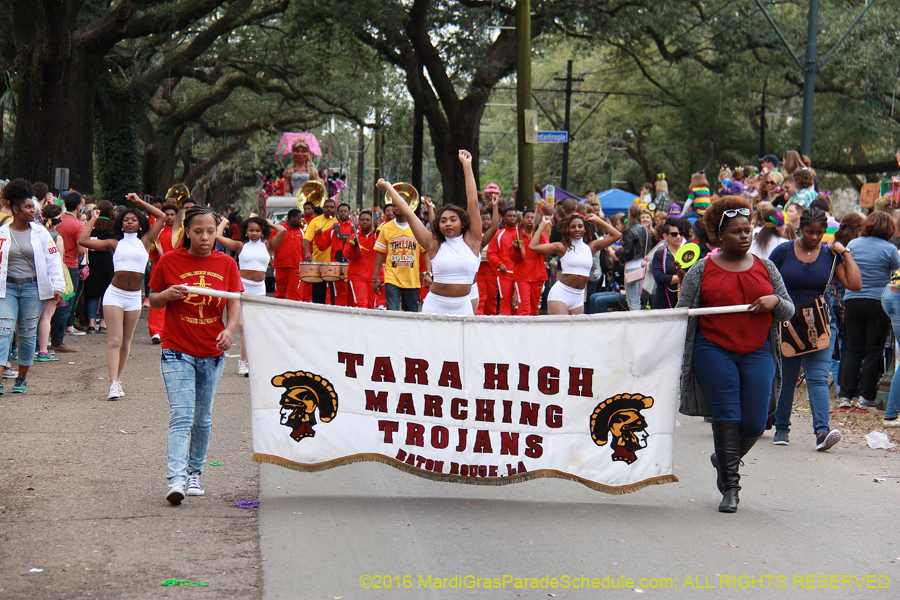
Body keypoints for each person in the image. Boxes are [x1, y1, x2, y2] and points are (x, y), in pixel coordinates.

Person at [676, 196, 795, 513]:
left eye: (748, 230)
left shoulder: (766, 267)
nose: (744, 236)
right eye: (736, 231)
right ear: (718, 234)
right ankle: (731, 487)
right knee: (727, 418)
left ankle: (724, 458)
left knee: (757, 422)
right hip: (713, 350)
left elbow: (788, 310)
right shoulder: (701, 270)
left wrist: (774, 302)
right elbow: (681, 314)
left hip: (757, 351)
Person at [149, 205, 243, 504]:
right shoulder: (169, 260)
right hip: (176, 350)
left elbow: (235, 301)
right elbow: (153, 300)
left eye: (211, 232)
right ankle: (175, 479)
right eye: (198, 231)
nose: (205, 237)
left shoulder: (227, 263)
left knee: (202, 418)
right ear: (186, 232)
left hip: (212, 353)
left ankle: (194, 473)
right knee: (181, 415)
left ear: (218, 232)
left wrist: (229, 330)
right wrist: (167, 295)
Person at [769, 208, 861, 450]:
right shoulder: (783, 251)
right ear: (800, 229)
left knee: (818, 378)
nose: (814, 237)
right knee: (787, 378)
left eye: (819, 233)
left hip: (820, 323)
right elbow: (765, 278)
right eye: (809, 232)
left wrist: (846, 252)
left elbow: (854, 284)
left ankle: (822, 433)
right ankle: (781, 428)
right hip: (788, 322)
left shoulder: (830, 254)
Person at [78, 195, 166, 399]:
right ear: (120, 222)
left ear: (140, 223)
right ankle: (112, 384)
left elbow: (160, 216)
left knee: (126, 342)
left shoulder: (145, 241)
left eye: (133, 219)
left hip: (134, 297)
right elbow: (82, 241)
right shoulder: (113, 244)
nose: (129, 222)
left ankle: (118, 379)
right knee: (114, 340)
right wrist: (93, 218)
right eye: (126, 219)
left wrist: (138, 202)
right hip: (114, 295)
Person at [374, 150, 479, 315]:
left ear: (463, 223)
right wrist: (388, 186)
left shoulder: (472, 241)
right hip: (435, 305)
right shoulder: (433, 244)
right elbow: (408, 213)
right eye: (443, 221)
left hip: (463, 306)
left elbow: (472, 202)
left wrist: (467, 166)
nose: (448, 223)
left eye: (453, 219)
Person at [0, 179, 65, 393]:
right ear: (16, 209)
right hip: (6, 289)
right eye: (28, 207)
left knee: (27, 333)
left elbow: (53, 260)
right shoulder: (2, 233)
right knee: (4, 330)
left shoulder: (41, 233)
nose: (32, 211)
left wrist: (58, 287)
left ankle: (21, 378)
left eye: (33, 208)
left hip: (32, 289)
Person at [837, 211, 900, 409]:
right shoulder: (890, 249)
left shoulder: (854, 244)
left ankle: (845, 395)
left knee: (853, 349)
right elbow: (896, 274)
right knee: (873, 351)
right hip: (877, 302)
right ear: (889, 229)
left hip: (852, 299)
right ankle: (866, 397)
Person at [216, 216, 286, 375]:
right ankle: (243, 362)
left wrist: (269, 223)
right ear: (245, 232)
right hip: (241, 288)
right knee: (242, 326)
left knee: (256, 327)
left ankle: (255, 361)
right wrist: (224, 222)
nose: (254, 233)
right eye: (251, 230)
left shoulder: (268, 246)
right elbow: (218, 237)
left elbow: (283, 231)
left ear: (262, 232)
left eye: (257, 230)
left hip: (259, 289)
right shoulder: (240, 246)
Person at [529, 213, 621, 315]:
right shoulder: (561, 247)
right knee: (561, 328)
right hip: (561, 294)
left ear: (585, 229)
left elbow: (617, 235)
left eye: (580, 226)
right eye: (573, 227)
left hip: (578, 296)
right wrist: (543, 225)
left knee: (574, 330)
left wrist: (597, 220)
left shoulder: (591, 247)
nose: (577, 229)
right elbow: (533, 246)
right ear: (568, 230)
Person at [50, 191, 86, 352]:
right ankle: (57, 341)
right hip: (69, 266)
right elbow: (82, 249)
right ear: (79, 207)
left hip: (52, 265)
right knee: (65, 305)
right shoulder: (78, 225)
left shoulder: (56, 219)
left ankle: (46, 339)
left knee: (50, 305)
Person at [36, 204, 66, 362]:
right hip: (50, 280)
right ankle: (42, 350)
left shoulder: (36, 233)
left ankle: (19, 349)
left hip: (34, 279)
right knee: (46, 316)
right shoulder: (56, 237)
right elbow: (58, 261)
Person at [82, 200, 116, 333]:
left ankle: (91, 323)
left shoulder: (93, 224)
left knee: (92, 291)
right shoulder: (113, 226)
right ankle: (103, 323)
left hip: (93, 259)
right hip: (109, 260)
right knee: (106, 292)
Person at [147, 202, 178, 344]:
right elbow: (151, 253)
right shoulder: (157, 231)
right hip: (159, 267)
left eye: (173, 215)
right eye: (167, 215)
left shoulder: (182, 232)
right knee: (158, 298)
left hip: (177, 269)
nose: (170, 217)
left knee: (176, 300)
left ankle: (172, 331)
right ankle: (156, 331)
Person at [511, 208, 548, 316]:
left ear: (535, 220)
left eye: (532, 218)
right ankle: (522, 331)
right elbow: (513, 258)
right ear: (523, 220)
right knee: (524, 308)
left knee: (534, 308)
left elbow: (545, 251)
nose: (530, 220)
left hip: (538, 276)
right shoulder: (517, 235)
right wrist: (516, 249)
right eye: (527, 217)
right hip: (522, 276)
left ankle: (532, 331)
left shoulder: (541, 235)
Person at [302, 199, 337, 304]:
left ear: (335, 209)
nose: (329, 209)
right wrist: (307, 253)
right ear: (323, 208)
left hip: (333, 263)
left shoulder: (338, 222)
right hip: (318, 261)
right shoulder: (315, 221)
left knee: (332, 292)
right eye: (327, 207)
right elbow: (306, 239)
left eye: (331, 207)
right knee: (317, 291)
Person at [486, 207, 520, 315]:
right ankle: (505, 324)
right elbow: (491, 253)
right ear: (503, 219)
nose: (512, 218)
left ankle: (519, 325)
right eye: (509, 216)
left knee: (519, 301)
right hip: (504, 273)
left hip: (521, 274)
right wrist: (499, 264)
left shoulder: (521, 234)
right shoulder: (498, 234)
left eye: (514, 216)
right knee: (505, 299)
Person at [651, 218, 690, 309]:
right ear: (665, 236)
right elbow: (659, 278)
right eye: (674, 234)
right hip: (664, 302)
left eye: (681, 234)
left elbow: (695, 277)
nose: (678, 237)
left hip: (686, 302)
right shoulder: (660, 254)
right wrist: (683, 277)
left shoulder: (689, 253)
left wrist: (673, 278)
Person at [618, 204, 651, 311]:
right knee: (637, 299)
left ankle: (636, 326)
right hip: (642, 265)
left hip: (632, 267)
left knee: (633, 300)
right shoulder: (645, 229)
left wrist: (618, 252)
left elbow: (628, 252)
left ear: (629, 213)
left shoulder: (629, 230)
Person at [343, 210, 378, 309]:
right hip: (357, 277)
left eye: (368, 220)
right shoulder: (353, 237)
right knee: (361, 305)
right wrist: (352, 246)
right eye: (362, 220)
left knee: (372, 306)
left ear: (372, 222)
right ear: (358, 221)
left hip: (373, 277)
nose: (365, 222)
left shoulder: (377, 236)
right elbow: (349, 256)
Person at [272, 208, 304, 301]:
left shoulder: (301, 232)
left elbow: (304, 248)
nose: (300, 221)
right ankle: (278, 312)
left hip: (295, 267)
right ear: (292, 218)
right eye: (299, 218)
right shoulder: (278, 230)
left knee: (294, 292)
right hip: (280, 266)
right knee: (279, 292)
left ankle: (294, 313)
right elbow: (270, 245)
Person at [474, 201, 500, 313]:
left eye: (488, 219)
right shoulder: (475, 235)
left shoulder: (496, 234)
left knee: (491, 299)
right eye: (483, 219)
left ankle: (490, 324)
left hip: (491, 270)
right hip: (479, 271)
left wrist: (495, 206)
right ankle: (477, 322)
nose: (485, 222)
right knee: (480, 299)